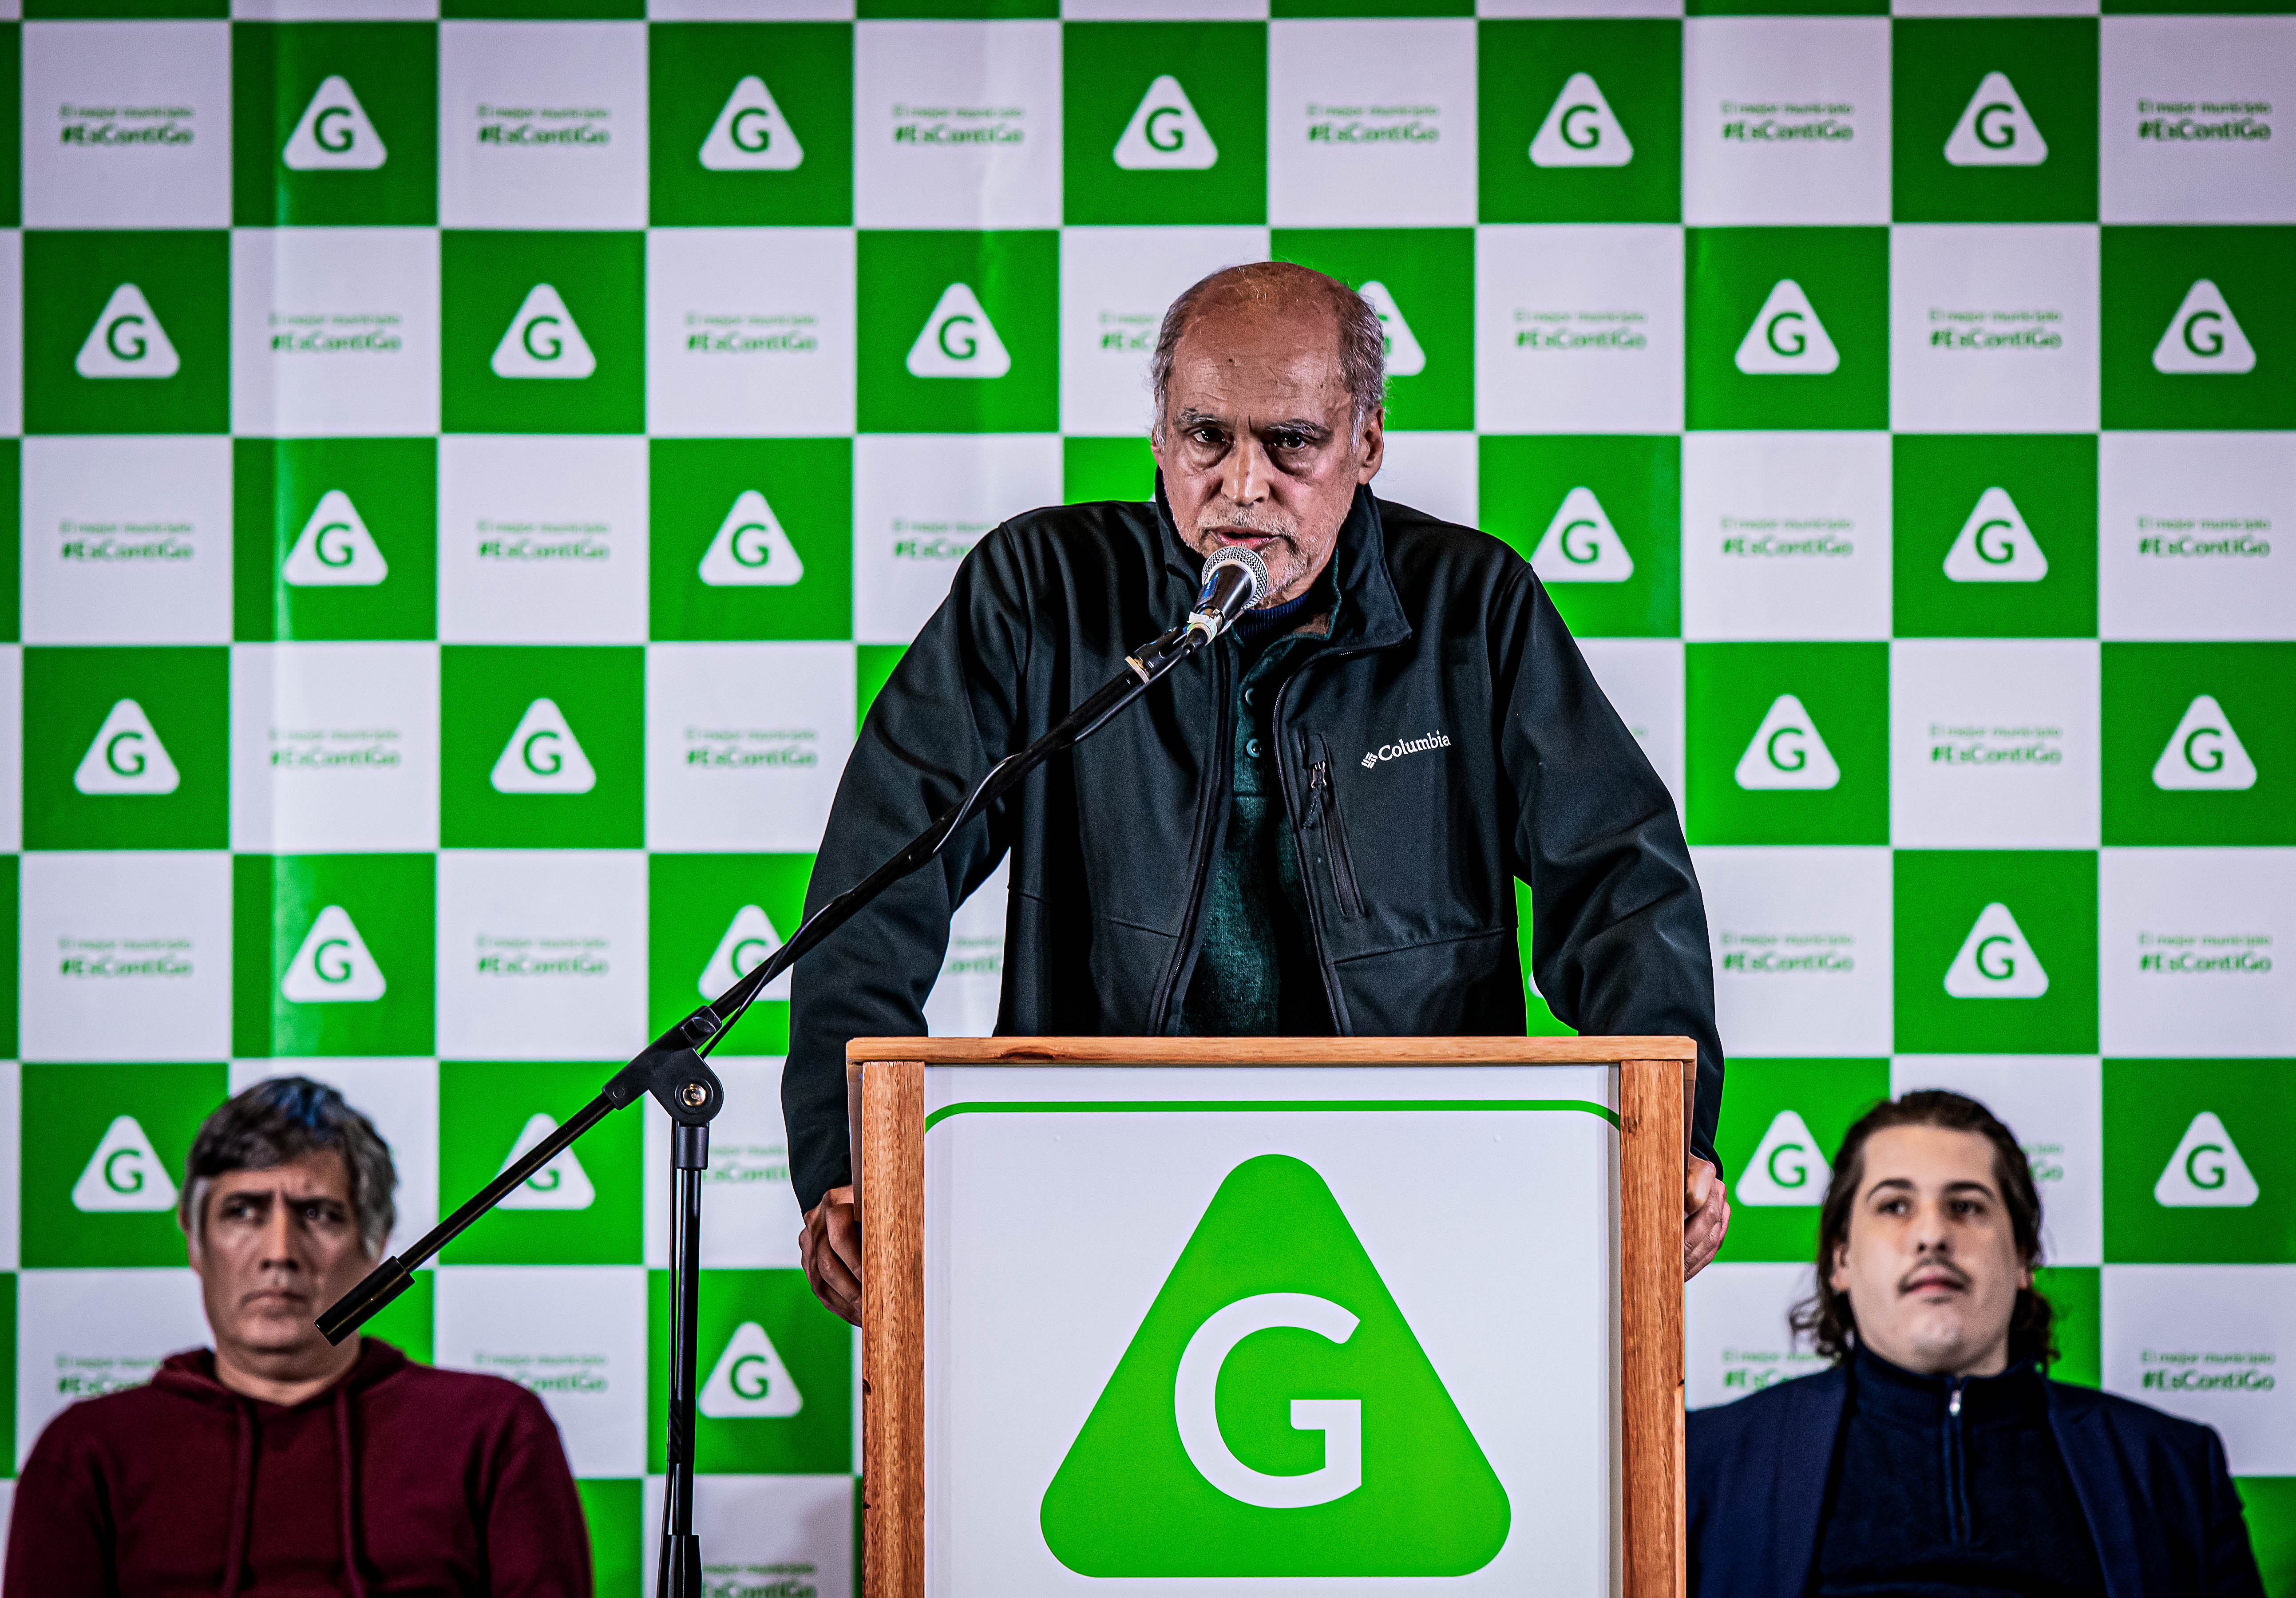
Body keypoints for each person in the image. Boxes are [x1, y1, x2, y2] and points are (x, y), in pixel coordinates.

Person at [784, 259, 1730, 1321]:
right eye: (1206, 437)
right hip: (1101, 1196)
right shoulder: (1037, 592)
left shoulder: (1475, 607)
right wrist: (847, 1153)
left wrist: (1671, 1134)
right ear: (1159, 436)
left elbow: (1620, 888)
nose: (1243, 484)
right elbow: (875, 890)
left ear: (1366, 441)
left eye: (1291, 442)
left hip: (1415, 1207)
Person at [6, 1076, 592, 1597]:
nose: (280, 1253)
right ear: (193, 1239)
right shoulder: (88, 1453)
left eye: (318, 1214)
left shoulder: (493, 1432)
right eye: (243, 1212)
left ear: (376, 1242)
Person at [1687, 1090, 2267, 1598]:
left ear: (2023, 1260)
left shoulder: (2174, 1470)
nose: (1933, 1235)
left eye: (1966, 1207)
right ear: (1840, 1260)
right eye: (1895, 1206)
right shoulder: (1702, 1462)